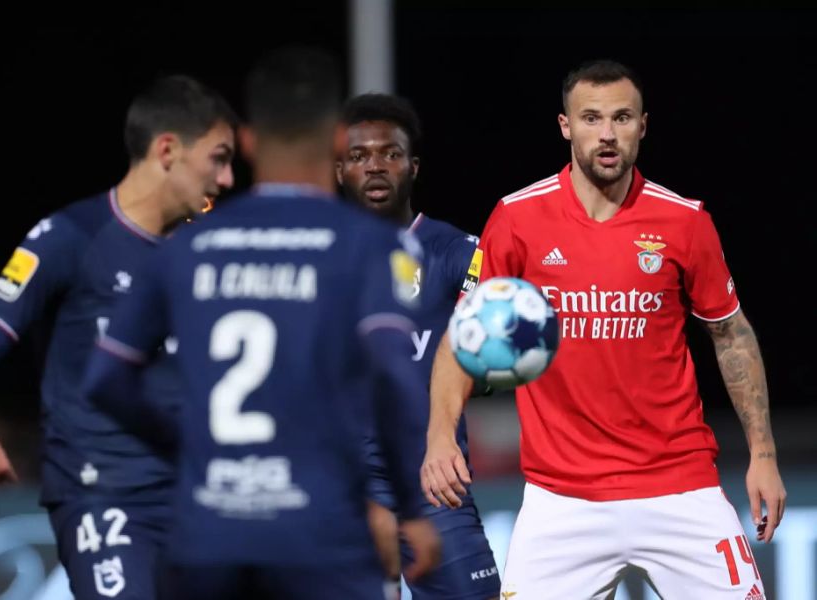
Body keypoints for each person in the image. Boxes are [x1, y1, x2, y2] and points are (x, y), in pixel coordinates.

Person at [83, 46, 441, 599]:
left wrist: (186, 445)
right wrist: (410, 509)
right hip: (321, 532)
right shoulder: (369, 245)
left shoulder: (187, 246)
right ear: (336, 141)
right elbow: (393, 378)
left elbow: (105, 380)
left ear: (247, 142)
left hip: (206, 533)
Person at [421, 59, 787, 599]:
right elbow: (464, 333)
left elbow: (731, 335)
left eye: (621, 117)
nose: (607, 134)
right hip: (561, 500)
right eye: (591, 118)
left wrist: (764, 455)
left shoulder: (684, 222)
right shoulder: (517, 219)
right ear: (566, 126)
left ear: (643, 125)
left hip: (680, 488)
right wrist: (438, 433)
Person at [0, 74, 237, 598]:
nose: (229, 178)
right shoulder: (68, 237)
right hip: (103, 494)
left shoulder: (205, 251)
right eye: (219, 157)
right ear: (168, 149)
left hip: (196, 495)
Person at [337, 93, 499, 600]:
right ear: (340, 169)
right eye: (360, 156)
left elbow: (492, 355)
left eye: (390, 153)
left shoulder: (458, 253)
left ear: (413, 165)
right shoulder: (315, 260)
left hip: (432, 479)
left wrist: (490, 367)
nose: (376, 166)